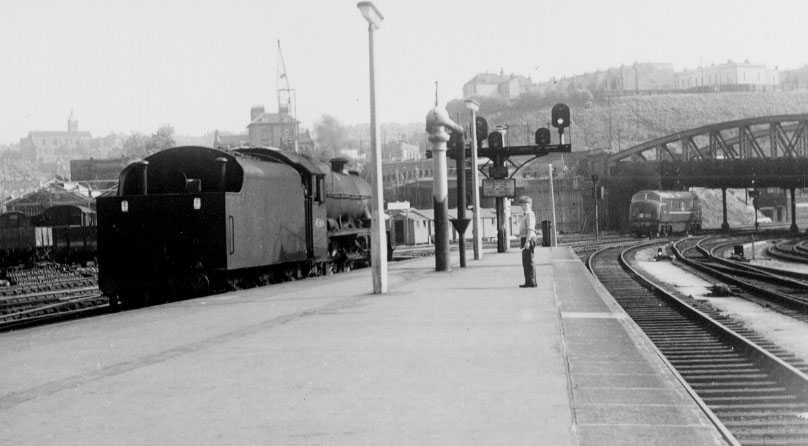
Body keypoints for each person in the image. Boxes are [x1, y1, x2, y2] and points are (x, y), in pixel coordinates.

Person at [517, 196, 537, 288]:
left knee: (529, 261)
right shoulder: (525, 214)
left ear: (528, 204)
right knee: (526, 261)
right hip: (525, 238)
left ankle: (531, 282)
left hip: (528, 238)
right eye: (522, 204)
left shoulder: (529, 214)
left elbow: (530, 229)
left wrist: (527, 241)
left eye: (524, 204)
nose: (522, 206)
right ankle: (528, 281)